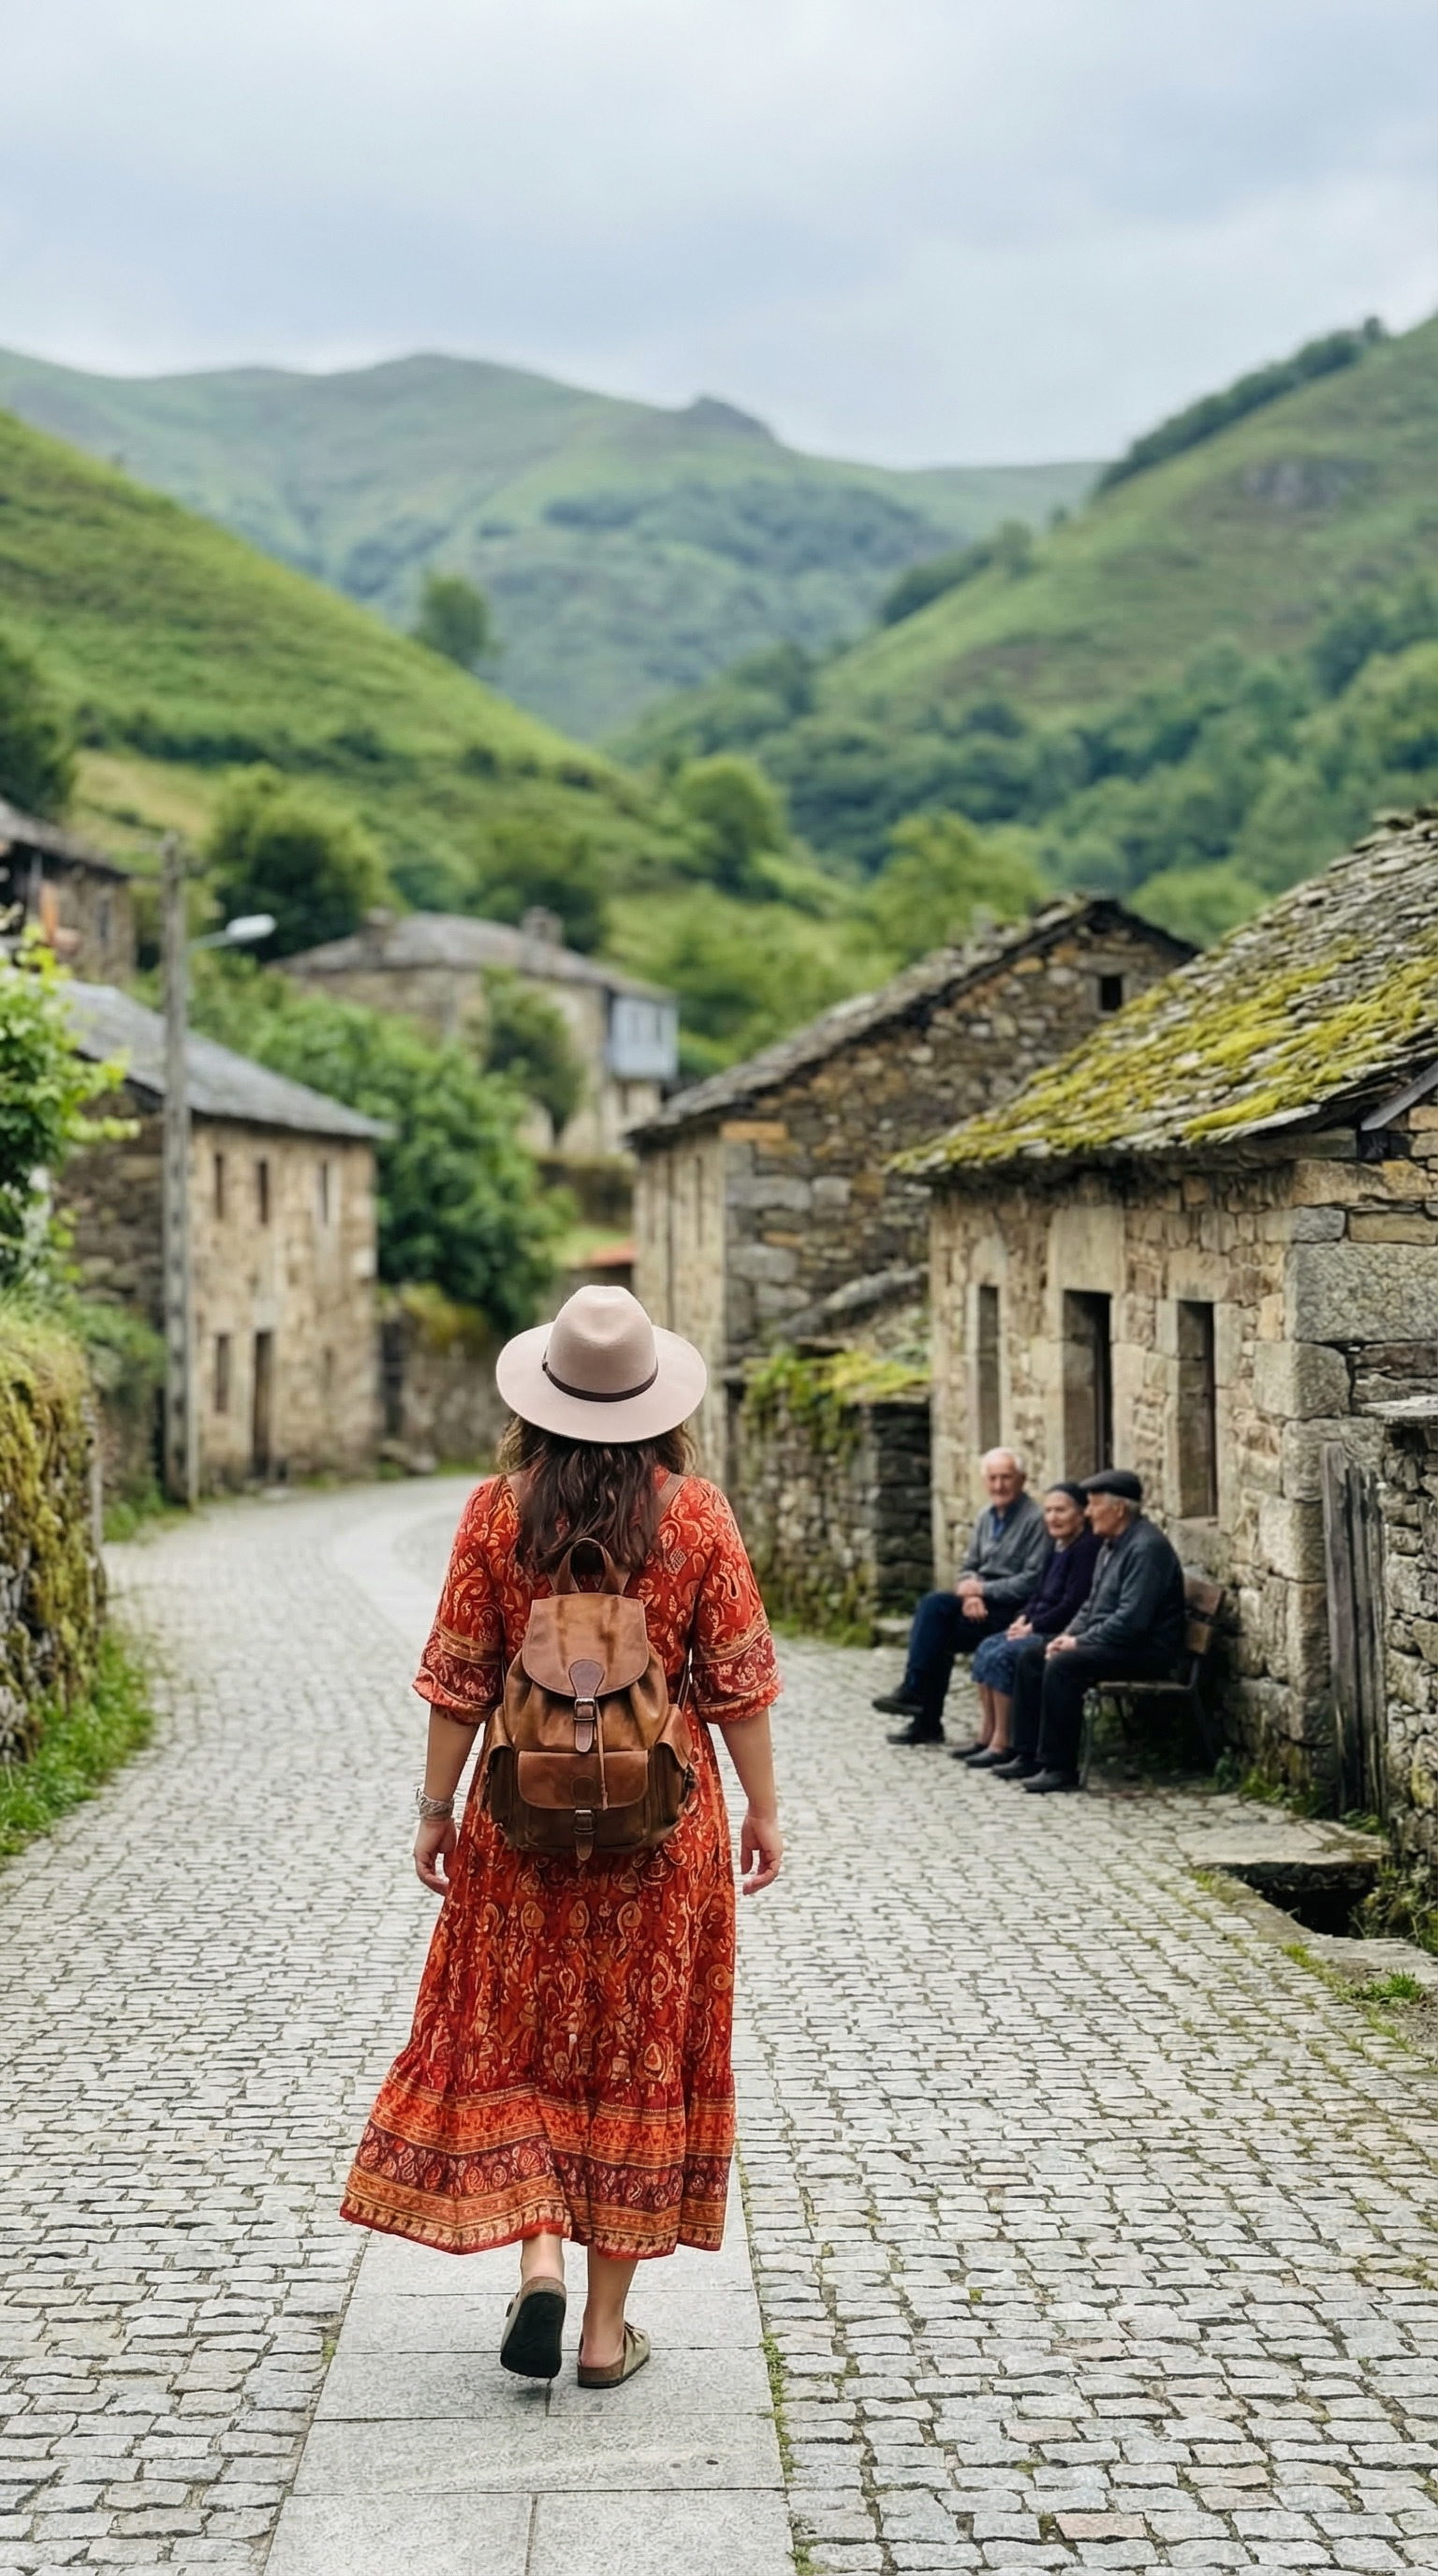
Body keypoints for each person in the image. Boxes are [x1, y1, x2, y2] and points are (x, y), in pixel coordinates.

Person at [341, 1285, 784, 2390]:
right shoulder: (697, 1515)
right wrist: (764, 1808)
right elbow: (738, 1683)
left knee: (526, 2038)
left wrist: (435, 1812)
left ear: (540, 1401)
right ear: (655, 1404)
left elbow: (456, 1680)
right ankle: (601, 2334)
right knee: (635, 2056)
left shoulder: (496, 1512)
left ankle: (537, 2253)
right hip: (664, 1829)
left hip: (521, 1822)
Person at [993, 1468, 1185, 1794]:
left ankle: (1059, 1767)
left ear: (1119, 1509)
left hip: (1146, 1650)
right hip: (1115, 1642)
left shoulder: (1145, 1549)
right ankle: (1026, 1753)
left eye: (1094, 1505)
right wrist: (1064, 1638)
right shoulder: (1110, 1545)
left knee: (1065, 1666)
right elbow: (1090, 1606)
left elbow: (1131, 1622)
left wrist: (1078, 1643)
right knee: (1033, 1656)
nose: (1088, 1512)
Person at [873, 1447, 1049, 1746]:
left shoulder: (1035, 1520)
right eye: (992, 1479)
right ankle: (924, 1717)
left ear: (1022, 1479)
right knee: (934, 1613)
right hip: (979, 1606)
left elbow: (1032, 1581)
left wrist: (982, 1590)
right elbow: (969, 1566)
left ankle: (917, 1697)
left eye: (1006, 1478)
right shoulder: (985, 1516)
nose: (999, 1486)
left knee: (937, 1622)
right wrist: (970, 1594)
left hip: (1014, 1612)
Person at [959, 1482, 1099, 1766]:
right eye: (1048, 1511)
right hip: (1037, 1624)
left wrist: (1032, 1628)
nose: (1053, 1518)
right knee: (987, 1647)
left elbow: (1071, 1605)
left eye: (1061, 1510)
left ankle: (1004, 1741)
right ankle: (988, 1734)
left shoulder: (1085, 1550)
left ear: (1081, 1514)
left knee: (1006, 1654)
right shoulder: (1058, 1546)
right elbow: (1038, 1594)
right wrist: (1023, 1617)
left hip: (1058, 1630)